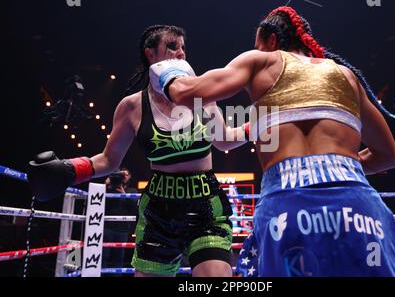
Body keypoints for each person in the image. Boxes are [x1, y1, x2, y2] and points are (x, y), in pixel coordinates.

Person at [150, 7, 395, 277]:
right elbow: (388, 157)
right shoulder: (346, 76)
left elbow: (187, 93)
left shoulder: (260, 61)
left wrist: (167, 73)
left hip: (287, 203)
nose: (257, 50)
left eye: (259, 44)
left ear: (271, 39)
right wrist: (337, 168)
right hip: (357, 204)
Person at [28, 25, 248, 277]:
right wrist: (69, 170)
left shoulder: (202, 97)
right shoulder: (132, 106)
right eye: (172, 46)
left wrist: (262, 122)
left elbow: (225, 140)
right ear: (150, 53)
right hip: (159, 211)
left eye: (183, 48)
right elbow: (109, 160)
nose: (181, 53)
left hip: (206, 205)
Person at [102, 168, 138, 273]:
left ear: (129, 177)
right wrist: (106, 184)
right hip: (108, 227)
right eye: (122, 174)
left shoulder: (132, 191)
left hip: (122, 229)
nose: (123, 176)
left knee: (119, 258)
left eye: (126, 174)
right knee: (104, 255)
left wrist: (124, 194)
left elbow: (134, 208)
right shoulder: (110, 189)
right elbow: (100, 200)